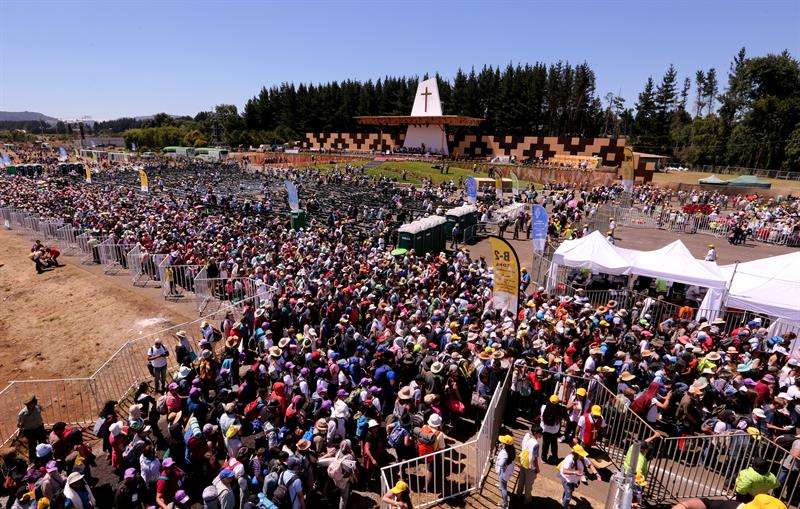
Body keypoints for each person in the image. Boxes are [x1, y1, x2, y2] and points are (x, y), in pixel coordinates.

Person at [559, 445, 597, 509]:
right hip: (566, 479)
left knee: (569, 490)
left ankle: (563, 500)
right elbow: (564, 471)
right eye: (581, 454)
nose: (583, 455)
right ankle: (564, 506)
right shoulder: (569, 459)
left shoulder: (582, 458)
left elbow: (590, 465)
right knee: (568, 495)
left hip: (574, 479)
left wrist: (596, 473)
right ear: (576, 453)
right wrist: (575, 472)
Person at [515, 425, 541, 504]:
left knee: (521, 481)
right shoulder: (536, 444)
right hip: (530, 467)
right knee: (528, 484)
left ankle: (518, 495)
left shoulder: (527, 436)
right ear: (536, 433)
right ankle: (527, 500)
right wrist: (537, 468)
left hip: (523, 463)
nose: (541, 435)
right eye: (540, 433)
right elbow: (535, 458)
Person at [17, 396, 45, 462]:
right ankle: (33, 461)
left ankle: (45, 455)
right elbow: (19, 425)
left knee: (43, 442)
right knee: (32, 446)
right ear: (29, 404)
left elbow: (41, 411)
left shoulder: (37, 407)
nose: (36, 402)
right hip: (30, 431)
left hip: (39, 427)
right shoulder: (23, 414)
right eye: (34, 401)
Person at [495, 435, 516, 509]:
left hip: (503, 473)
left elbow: (501, 464)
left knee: (504, 489)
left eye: (502, 442)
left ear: (505, 444)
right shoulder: (512, 449)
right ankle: (501, 486)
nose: (500, 443)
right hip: (508, 472)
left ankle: (505, 504)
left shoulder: (505, 454)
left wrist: (495, 460)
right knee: (503, 484)